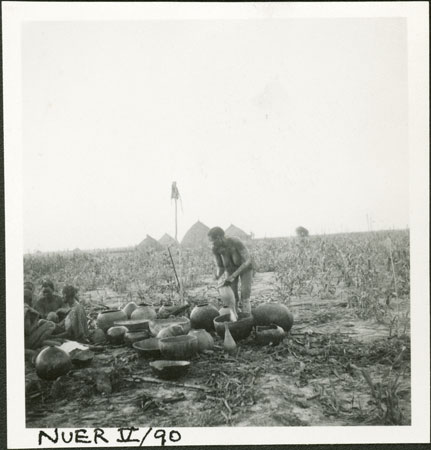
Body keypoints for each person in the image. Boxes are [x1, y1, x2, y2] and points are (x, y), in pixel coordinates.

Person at [208, 226, 254, 315]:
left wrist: (233, 276)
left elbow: (248, 260)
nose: (212, 244)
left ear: (219, 237)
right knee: (233, 297)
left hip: (245, 268)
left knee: (245, 294)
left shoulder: (235, 242)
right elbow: (221, 267)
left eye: (213, 241)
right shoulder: (215, 248)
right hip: (231, 270)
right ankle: (236, 318)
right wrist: (217, 276)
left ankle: (247, 316)